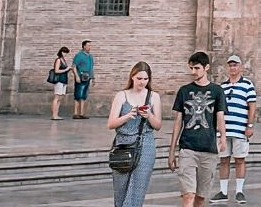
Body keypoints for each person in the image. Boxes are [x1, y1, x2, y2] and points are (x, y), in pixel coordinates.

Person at [172, 51, 227, 207]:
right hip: (187, 148)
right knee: (188, 195)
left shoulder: (217, 91)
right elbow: (178, 122)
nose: (193, 72)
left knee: (201, 198)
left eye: (196, 68)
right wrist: (172, 152)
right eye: (191, 68)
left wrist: (222, 137)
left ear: (206, 67)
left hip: (208, 149)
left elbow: (220, 116)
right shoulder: (184, 90)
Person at [108, 62, 163, 207]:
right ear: (132, 77)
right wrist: (128, 115)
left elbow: (158, 125)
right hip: (123, 145)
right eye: (139, 78)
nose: (142, 82)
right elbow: (111, 123)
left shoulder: (154, 97)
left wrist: (149, 115)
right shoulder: (121, 95)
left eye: (145, 79)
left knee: (137, 191)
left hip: (145, 145)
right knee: (120, 192)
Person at [214, 55, 257, 202]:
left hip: (240, 128)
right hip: (224, 130)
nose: (232, 68)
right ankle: (223, 191)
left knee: (240, 159)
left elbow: (252, 106)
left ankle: (239, 190)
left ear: (240, 67)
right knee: (223, 160)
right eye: (230, 65)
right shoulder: (222, 86)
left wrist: (249, 125)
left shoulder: (247, 85)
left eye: (235, 65)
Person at [74, 41, 97, 120]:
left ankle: (82, 113)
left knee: (84, 95)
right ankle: (75, 113)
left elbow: (91, 68)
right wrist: (76, 76)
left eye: (90, 46)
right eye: (88, 45)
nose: (90, 47)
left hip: (87, 77)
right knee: (78, 95)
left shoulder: (90, 56)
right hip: (80, 77)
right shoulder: (79, 55)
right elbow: (73, 66)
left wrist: (93, 78)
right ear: (84, 46)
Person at [51, 46, 75, 120]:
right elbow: (56, 71)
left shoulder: (63, 60)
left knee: (60, 98)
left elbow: (64, 70)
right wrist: (66, 69)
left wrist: (69, 69)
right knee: (57, 97)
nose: (65, 54)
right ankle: (54, 115)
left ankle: (56, 114)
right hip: (59, 80)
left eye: (66, 53)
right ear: (61, 52)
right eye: (64, 52)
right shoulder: (58, 60)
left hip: (64, 80)